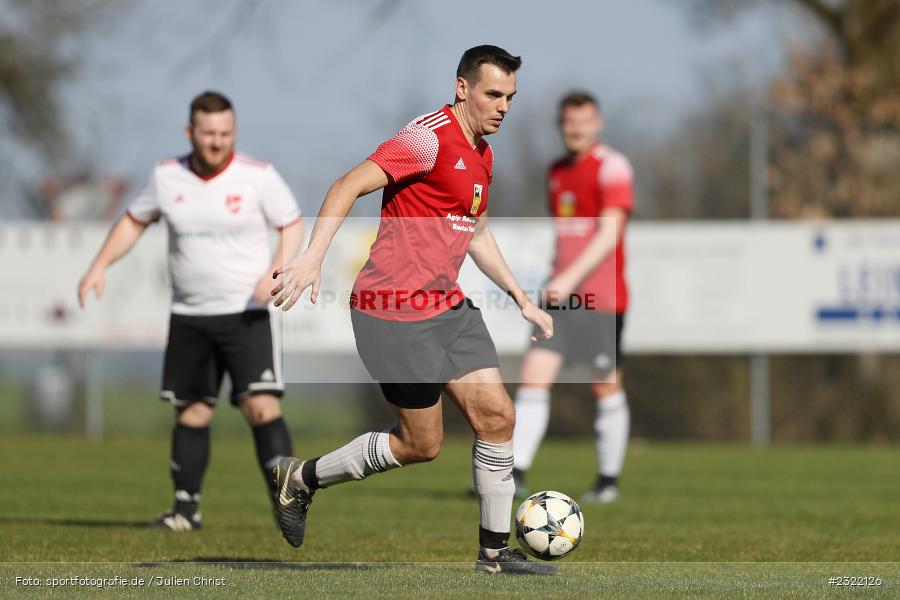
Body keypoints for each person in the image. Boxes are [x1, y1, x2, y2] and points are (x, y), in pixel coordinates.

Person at [270, 45, 557, 575]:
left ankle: (494, 556)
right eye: (494, 94)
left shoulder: (483, 156)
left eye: (511, 97)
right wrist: (312, 255)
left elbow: (479, 233)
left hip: (448, 309)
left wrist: (521, 298)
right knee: (420, 444)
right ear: (462, 87)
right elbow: (348, 185)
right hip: (392, 313)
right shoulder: (426, 137)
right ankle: (302, 478)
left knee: (498, 417)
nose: (503, 107)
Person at [78, 91, 304, 530]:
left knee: (261, 408)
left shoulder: (258, 176)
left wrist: (277, 270)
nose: (217, 142)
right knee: (193, 411)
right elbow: (132, 221)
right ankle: (185, 511)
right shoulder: (167, 177)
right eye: (209, 133)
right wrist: (99, 265)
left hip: (247, 315)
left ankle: (287, 499)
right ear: (190, 132)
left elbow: (291, 223)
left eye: (225, 133)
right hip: (189, 316)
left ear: (233, 132)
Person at [510, 91, 634, 504]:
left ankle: (607, 480)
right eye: (568, 122)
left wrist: (571, 277)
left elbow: (609, 233)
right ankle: (516, 473)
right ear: (560, 125)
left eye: (583, 121)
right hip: (559, 298)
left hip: (600, 299)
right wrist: (558, 279)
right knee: (533, 377)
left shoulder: (612, 167)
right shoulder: (556, 171)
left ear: (597, 122)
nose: (576, 128)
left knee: (604, 386)